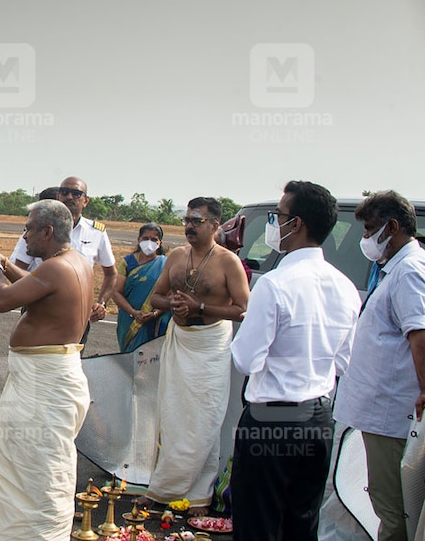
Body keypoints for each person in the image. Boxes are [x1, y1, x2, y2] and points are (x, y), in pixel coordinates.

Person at [228, 181, 360, 541]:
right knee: (302, 521)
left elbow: (245, 359)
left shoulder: (275, 283)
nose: (275, 224)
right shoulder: (345, 286)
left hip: (273, 416)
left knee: (258, 522)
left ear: (296, 224)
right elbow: (342, 362)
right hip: (318, 416)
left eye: (278, 216)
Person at [0, 199, 92, 540]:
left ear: (47, 231)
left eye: (27, 228)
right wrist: (6, 263)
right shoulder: (73, 262)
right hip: (52, 376)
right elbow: (36, 287)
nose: (23, 235)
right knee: (32, 463)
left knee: (37, 469)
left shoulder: (55, 268)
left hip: (46, 382)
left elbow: (1, 301)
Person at [141, 197, 250, 515]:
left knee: (204, 420)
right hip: (179, 343)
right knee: (173, 417)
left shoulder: (227, 262)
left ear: (215, 225)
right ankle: (162, 489)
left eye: (197, 221)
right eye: (187, 220)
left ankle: (199, 495)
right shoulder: (175, 256)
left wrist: (200, 307)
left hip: (210, 347)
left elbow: (243, 310)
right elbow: (156, 297)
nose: (189, 225)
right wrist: (171, 306)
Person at [332, 190, 425, 541]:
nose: (366, 239)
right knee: (384, 502)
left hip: (392, 413)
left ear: (393, 227)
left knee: (393, 510)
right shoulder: (393, 270)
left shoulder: (409, 272)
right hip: (379, 410)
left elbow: (420, 336)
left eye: (370, 230)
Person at [8, 177, 116, 323]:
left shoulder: (96, 232)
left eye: (76, 193)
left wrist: (101, 303)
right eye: (64, 192)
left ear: (85, 200)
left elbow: (110, 274)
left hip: (78, 315)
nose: (69, 197)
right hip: (39, 311)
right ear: (58, 196)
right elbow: (17, 268)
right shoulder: (37, 229)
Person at [112, 222, 171, 352]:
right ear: (138, 240)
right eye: (145, 238)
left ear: (160, 243)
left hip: (155, 322)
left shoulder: (165, 264)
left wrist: (154, 314)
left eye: (154, 239)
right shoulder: (127, 262)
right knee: (130, 358)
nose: (149, 242)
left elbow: (169, 295)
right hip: (129, 319)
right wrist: (133, 312)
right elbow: (116, 292)